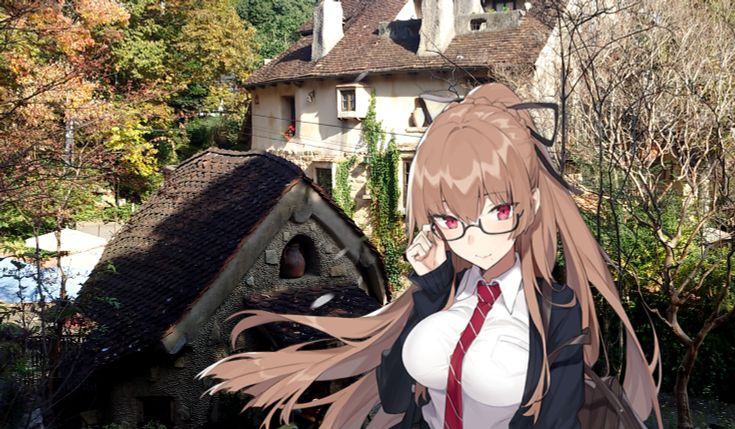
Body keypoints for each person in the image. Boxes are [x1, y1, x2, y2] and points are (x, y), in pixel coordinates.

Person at [197, 83, 663, 429]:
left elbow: (556, 421)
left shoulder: (555, 309)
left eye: (498, 211)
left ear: (532, 205)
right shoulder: (442, 292)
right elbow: (396, 397)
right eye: (452, 220)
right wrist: (430, 292)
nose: (474, 238)